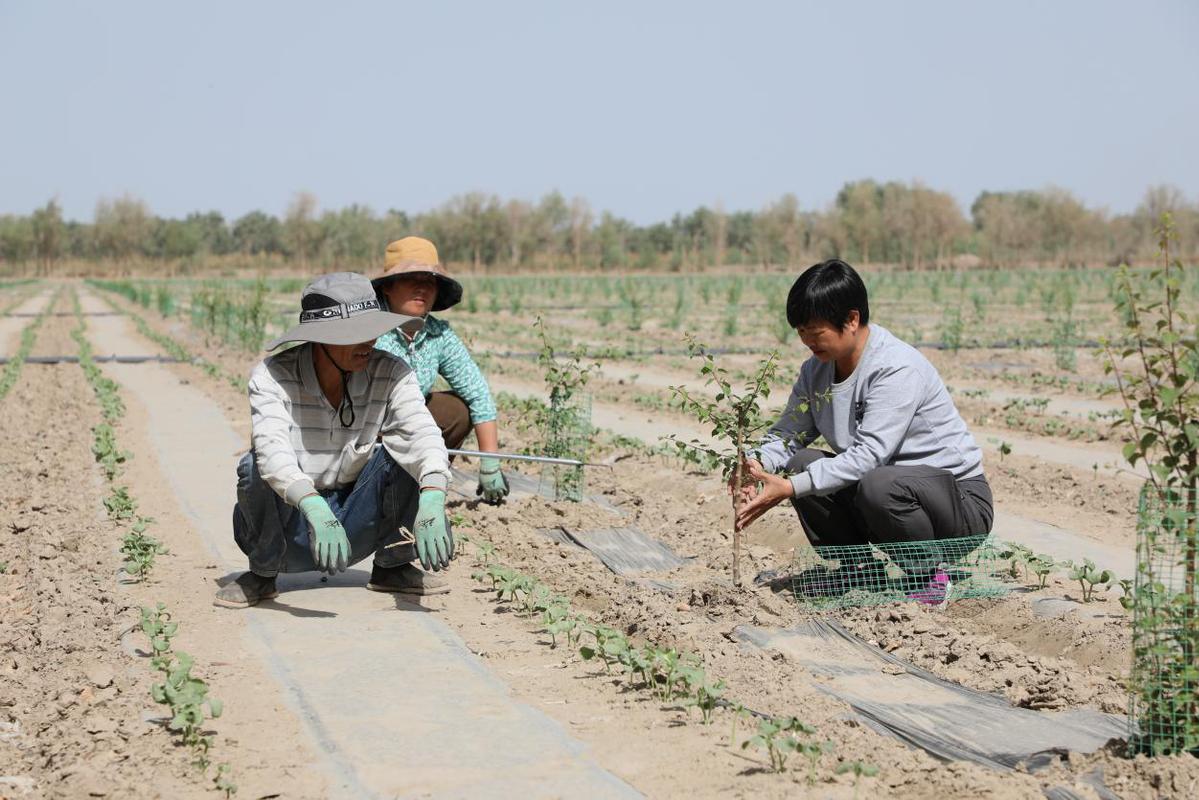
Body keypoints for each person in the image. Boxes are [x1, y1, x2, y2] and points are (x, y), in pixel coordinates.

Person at [733, 259, 993, 602]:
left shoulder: (896, 367)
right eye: (800, 331)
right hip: (887, 495)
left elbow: (870, 456)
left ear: (852, 320)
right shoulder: (816, 371)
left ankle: (928, 575)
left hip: (957, 505)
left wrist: (791, 488)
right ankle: (857, 570)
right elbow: (788, 435)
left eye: (815, 330)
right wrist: (752, 463)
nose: (806, 339)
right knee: (802, 462)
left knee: (876, 481)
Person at [215, 272, 455, 608]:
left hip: (354, 520)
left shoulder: (391, 372)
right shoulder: (273, 376)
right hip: (295, 524)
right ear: (320, 339)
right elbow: (272, 453)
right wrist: (312, 505)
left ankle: (393, 566)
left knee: (400, 455)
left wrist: (432, 494)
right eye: (353, 334)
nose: (369, 341)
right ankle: (263, 573)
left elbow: (421, 432)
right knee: (253, 466)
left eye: (371, 330)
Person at [372, 236, 509, 505]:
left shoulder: (438, 334)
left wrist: (490, 462)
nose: (421, 288)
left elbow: (478, 393)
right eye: (411, 278)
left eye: (429, 280)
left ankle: (424, 487)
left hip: (413, 424)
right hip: (367, 427)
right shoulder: (369, 330)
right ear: (388, 286)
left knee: (458, 410)